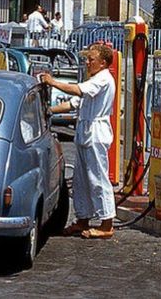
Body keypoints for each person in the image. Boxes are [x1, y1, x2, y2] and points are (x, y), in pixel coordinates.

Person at [41, 43, 117, 239]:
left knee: (98, 178)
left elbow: (76, 91)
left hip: (96, 133)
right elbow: (73, 103)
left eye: (91, 59)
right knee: (81, 179)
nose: (87, 62)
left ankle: (106, 223)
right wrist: (49, 111)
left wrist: (52, 82)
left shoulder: (103, 79)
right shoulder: (93, 80)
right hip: (84, 132)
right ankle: (83, 218)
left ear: (103, 63)